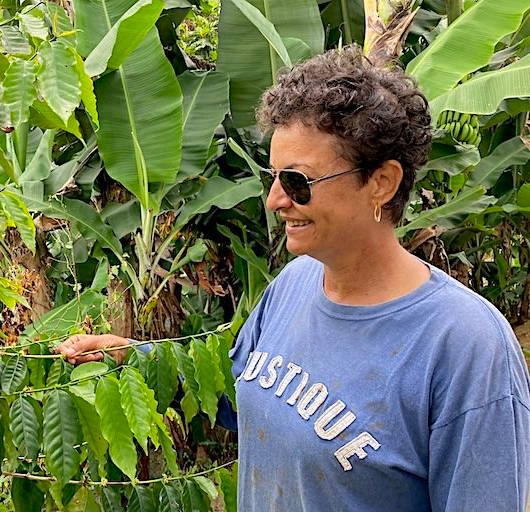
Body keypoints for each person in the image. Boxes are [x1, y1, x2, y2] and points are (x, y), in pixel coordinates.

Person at [56, 46, 530, 511]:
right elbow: (239, 401)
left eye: (298, 182)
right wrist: (137, 361)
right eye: (275, 178)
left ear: (381, 182)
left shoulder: (466, 348)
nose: (275, 201)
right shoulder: (295, 283)